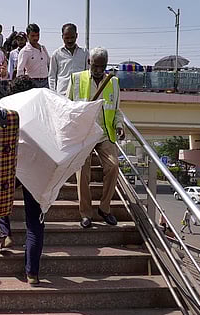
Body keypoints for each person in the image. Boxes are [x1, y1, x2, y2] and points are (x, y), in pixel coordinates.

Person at [67, 47, 124, 229]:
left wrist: (120, 125)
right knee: (82, 172)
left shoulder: (113, 82)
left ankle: (104, 208)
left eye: (102, 66)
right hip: (84, 133)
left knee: (113, 166)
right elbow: (68, 107)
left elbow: (116, 110)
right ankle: (85, 213)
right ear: (89, 63)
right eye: (96, 66)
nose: (99, 70)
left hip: (105, 133)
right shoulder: (76, 79)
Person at [0, 76, 45, 286]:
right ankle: (32, 273)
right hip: (36, 168)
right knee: (35, 223)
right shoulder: (41, 110)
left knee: (1, 198)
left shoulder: (5, 106)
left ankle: (5, 231)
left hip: (11, 166)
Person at [49, 23, 89, 95]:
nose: (70, 40)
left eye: (72, 37)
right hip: (62, 93)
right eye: (67, 38)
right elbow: (52, 76)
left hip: (80, 93)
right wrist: (53, 93)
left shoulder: (84, 53)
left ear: (76, 36)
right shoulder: (56, 54)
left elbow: (88, 73)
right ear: (62, 37)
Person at [16, 23, 50, 88]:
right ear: (27, 36)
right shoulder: (25, 51)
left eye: (37, 35)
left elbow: (49, 63)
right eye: (33, 36)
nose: (36, 38)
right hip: (32, 83)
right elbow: (20, 70)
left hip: (45, 82)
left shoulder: (43, 48)